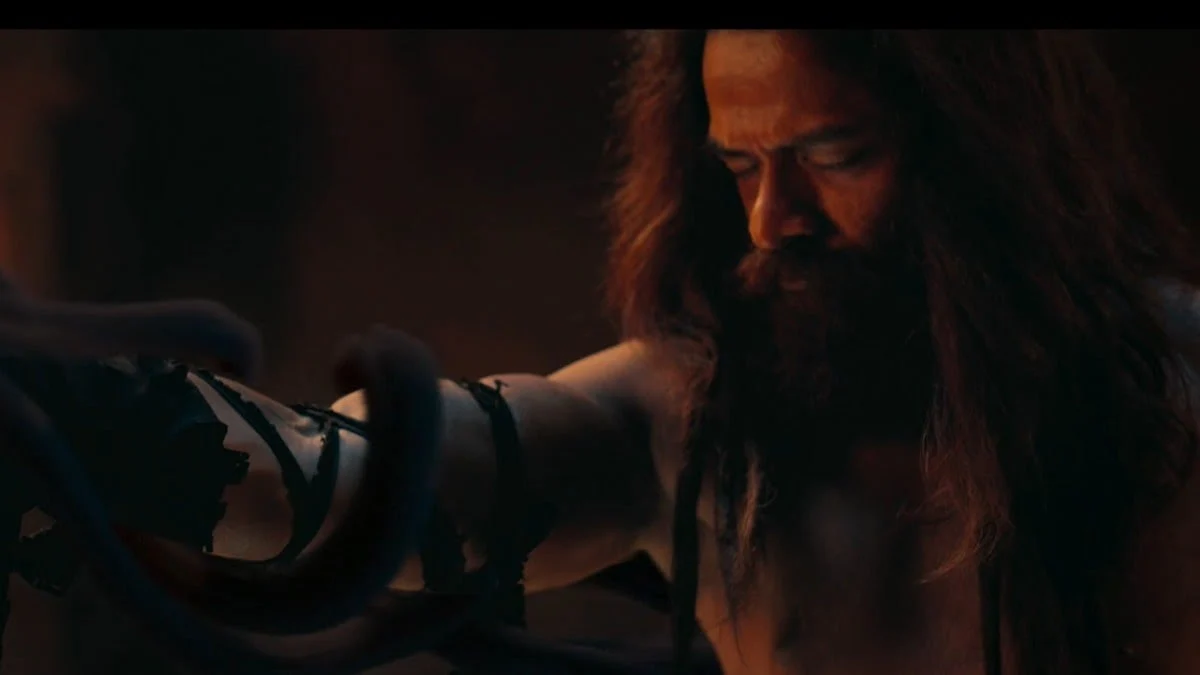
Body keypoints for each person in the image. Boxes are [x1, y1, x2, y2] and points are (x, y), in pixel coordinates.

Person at [10, 29, 1200, 675]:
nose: (772, 222)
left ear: (985, 153)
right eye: (742, 168)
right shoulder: (700, 418)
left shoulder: (1178, 396)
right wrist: (83, 418)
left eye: (837, 158)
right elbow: (346, 488)